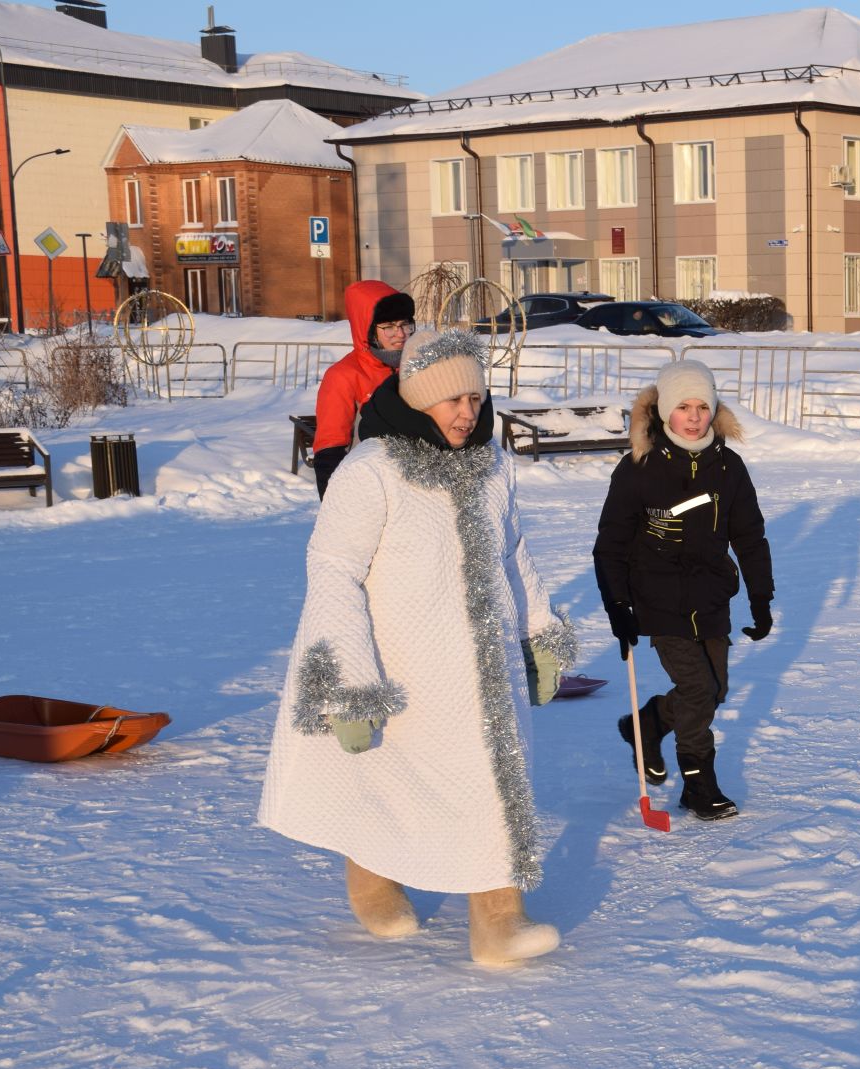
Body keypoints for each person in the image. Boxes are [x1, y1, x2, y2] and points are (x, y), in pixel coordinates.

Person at [260, 328, 577, 966]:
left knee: (497, 782)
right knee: (386, 780)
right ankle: (373, 882)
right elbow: (332, 571)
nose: (468, 412)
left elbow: (514, 555)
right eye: (451, 399)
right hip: (402, 663)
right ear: (417, 398)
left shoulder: (493, 465)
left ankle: (499, 924)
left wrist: (538, 634)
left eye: (475, 397)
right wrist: (349, 682)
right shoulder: (371, 470)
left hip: (480, 667)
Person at [592, 359, 773, 821]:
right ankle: (698, 784)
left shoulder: (729, 468)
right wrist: (618, 605)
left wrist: (761, 597)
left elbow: (749, 537)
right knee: (697, 690)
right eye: (683, 407)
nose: (694, 417)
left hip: (711, 597)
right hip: (658, 600)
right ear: (665, 412)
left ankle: (649, 723)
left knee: (714, 691)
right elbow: (610, 545)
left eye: (702, 406)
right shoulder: (640, 469)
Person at [311, 280, 416, 498]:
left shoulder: (415, 369)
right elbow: (329, 450)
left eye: (405, 324)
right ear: (367, 329)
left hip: (413, 492)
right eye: (388, 327)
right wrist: (337, 506)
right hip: (365, 491)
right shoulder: (343, 376)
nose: (400, 333)